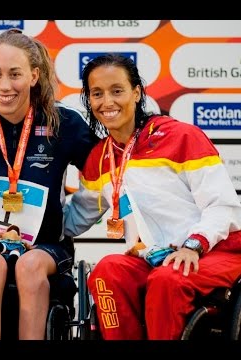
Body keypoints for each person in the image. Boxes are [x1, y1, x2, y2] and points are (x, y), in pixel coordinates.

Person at [0, 28, 100, 340]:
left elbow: (103, 173)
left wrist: (71, 222)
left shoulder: (64, 123)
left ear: (34, 75)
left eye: (15, 74)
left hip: (46, 246)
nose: (4, 85)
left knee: (30, 266)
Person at [64, 53, 241, 340]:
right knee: (106, 271)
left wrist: (192, 246)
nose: (107, 102)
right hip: (154, 257)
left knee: (167, 279)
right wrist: (27, 224)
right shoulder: (99, 158)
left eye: (117, 91)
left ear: (136, 93)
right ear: (89, 101)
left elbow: (222, 206)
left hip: (215, 252)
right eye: (97, 94)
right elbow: (74, 219)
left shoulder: (181, 136)